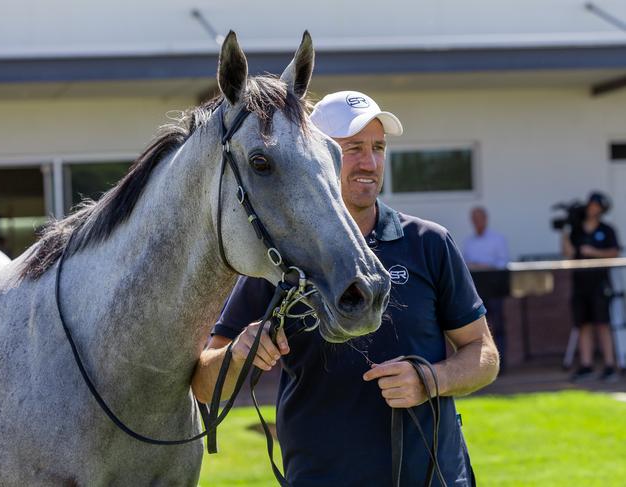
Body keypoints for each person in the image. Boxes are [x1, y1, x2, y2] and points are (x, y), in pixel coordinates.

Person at [192, 91, 500, 486]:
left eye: (378, 148)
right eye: (353, 148)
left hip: (433, 477)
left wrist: (431, 380)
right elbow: (204, 387)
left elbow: (484, 354)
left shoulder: (429, 243)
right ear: (318, 155)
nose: (369, 163)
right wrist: (238, 354)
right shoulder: (279, 256)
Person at [562, 192, 621, 382]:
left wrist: (593, 252)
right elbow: (569, 254)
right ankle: (586, 365)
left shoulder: (607, 229)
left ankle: (610, 365)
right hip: (580, 285)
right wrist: (564, 231)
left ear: (602, 209)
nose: (591, 207)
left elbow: (614, 252)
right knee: (583, 325)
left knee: (603, 324)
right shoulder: (577, 230)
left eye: (596, 205)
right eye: (590, 204)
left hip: (600, 285)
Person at [463, 206, 509, 363]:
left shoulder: (497, 239)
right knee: (480, 326)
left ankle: (501, 361)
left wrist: (483, 266)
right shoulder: (468, 242)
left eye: (479, 218)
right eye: (474, 219)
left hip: (495, 288)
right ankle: (484, 361)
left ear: (486, 219)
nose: (477, 222)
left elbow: (502, 263)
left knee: (498, 325)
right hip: (477, 290)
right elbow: (465, 265)